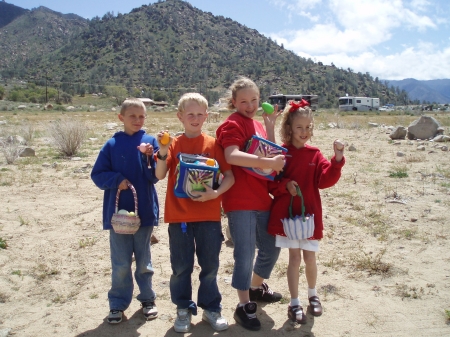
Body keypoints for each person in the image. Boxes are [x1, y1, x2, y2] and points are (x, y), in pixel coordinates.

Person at [155, 93, 235, 333]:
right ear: (180, 116)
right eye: (190, 114)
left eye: (200, 114)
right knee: (181, 267)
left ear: (207, 116)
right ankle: (183, 309)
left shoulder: (213, 145)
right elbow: (160, 174)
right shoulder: (174, 145)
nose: (195, 118)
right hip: (179, 218)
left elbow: (229, 176)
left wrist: (215, 194)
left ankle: (211, 308)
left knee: (210, 266)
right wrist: (162, 150)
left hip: (209, 217)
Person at [215, 77, 286, 331]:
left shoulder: (256, 123)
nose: (250, 105)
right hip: (240, 200)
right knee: (244, 254)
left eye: (254, 100)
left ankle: (255, 288)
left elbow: (268, 151)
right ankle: (243, 305)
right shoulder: (232, 124)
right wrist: (268, 163)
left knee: (271, 247)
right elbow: (231, 155)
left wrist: (269, 126)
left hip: (261, 198)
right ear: (233, 102)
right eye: (243, 101)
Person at [267, 100, 345, 324]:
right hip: (288, 217)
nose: (304, 132)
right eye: (300, 127)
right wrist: (286, 185)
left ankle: (313, 295)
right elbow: (271, 183)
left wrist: (337, 159)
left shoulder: (315, 154)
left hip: (308, 216)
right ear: (289, 127)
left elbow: (325, 180)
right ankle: (294, 302)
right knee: (293, 259)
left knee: (310, 258)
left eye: (308, 127)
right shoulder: (281, 154)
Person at [91, 98, 160, 324]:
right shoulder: (111, 145)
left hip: (144, 213)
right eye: (132, 116)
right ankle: (118, 304)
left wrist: (151, 156)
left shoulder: (150, 142)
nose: (137, 120)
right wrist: (116, 179)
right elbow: (98, 175)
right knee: (120, 262)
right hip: (118, 214)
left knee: (143, 261)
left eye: (141, 116)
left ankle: (147, 299)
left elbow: (155, 176)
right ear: (121, 118)